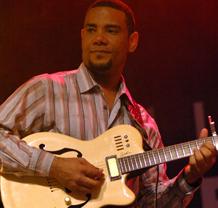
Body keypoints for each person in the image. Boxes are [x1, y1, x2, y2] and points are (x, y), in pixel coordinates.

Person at [0, 0, 216, 207]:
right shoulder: (47, 90)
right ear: (83, 36)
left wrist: (190, 176)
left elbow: (152, 203)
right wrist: (54, 167)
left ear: (132, 41)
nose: (99, 39)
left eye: (111, 30)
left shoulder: (143, 124)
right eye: (92, 30)